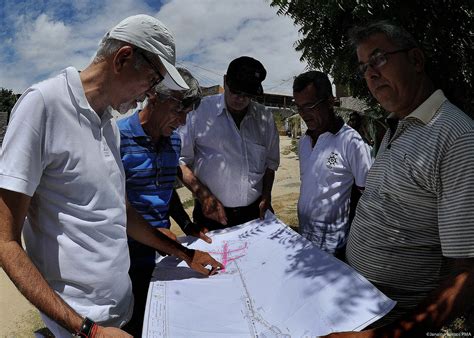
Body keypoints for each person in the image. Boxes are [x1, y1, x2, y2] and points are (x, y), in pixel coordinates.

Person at [0, 14, 222, 338]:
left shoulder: (109, 128)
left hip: (122, 311)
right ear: (123, 58)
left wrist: (185, 253)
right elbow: (5, 242)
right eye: (151, 80)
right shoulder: (43, 105)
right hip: (79, 326)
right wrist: (90, 331)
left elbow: (122, 213)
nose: (149, 95)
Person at [324, 21, 474, 337]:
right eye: (364, 67)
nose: (369, 74)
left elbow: (466, 274)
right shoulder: (398, 126)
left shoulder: (457, 138)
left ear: (416, 60)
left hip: (390, 319)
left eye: (378, 59)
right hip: (349, 297)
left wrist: (384, 335)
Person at [118, 67, 210, 336]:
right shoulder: (117, 138)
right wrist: (152, 231)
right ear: (153, 96)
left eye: (187, 114)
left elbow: (167, 189)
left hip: (165, 251)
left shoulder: (173, 141)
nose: (182, 121)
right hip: (126, 255)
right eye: (178, 109)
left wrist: (186, 223)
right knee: (132, 323)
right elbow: (110, 203)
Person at [178, 56, 280, 230]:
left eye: (247, 95)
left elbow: (270, 164)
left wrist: (266, 196)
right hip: (210, 215)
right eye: (235, 91)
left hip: (254, 215)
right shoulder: (199, 112)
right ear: (225, 81)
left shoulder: (265, 118)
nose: (240, 99)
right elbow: (180, 162)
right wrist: (204, 196)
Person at [292, 71, 372, 259]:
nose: (304, 114)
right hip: (304, 236)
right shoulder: (303, 142)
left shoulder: (351, 141)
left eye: (310, 106)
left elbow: (367, 194)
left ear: (330, 101)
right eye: (299, 107)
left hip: (334, 245)